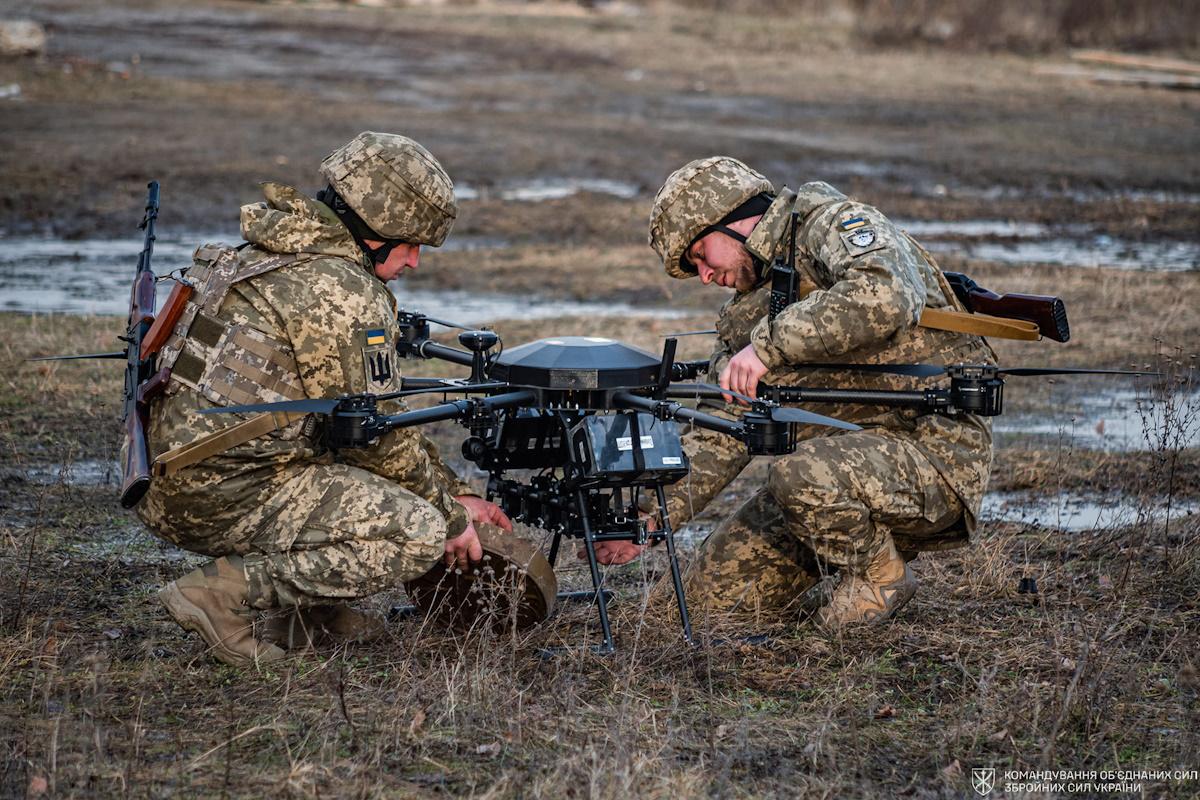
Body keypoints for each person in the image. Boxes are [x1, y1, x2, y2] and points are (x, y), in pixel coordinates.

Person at [138, 131, 511, 666]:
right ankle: (221, 596)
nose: (414, 262)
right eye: (410, 243)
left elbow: (363, 422)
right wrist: (451, 514)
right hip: (222, 492)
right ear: (373, 227)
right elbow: (377, 439)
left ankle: (307, 614)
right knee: (416, 532)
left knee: (353, 455)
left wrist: (450, 489)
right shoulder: (341, 292)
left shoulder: (267, 253)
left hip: (180, 475)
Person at [592, 156, 997, 627]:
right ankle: (829, 570)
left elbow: (886, 294)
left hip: (931, 457)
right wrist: (648, 519)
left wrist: (768, 347)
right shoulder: (748, 309)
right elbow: (723, 425)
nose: (704, 275)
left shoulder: (831, 223)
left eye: (701, 254)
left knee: (797, 475)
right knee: (703, 605)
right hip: (829, 477)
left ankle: (880, 575)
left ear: (732, 218)